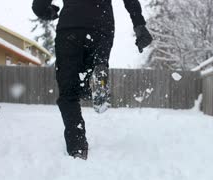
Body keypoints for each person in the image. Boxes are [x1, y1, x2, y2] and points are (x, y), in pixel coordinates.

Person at [32, 0, 153, 160]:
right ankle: (97, 71)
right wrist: (139, 25)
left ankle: (77, 147)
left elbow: (39, 5)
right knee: (90, 72)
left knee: (69, 92)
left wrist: (47, 11)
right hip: (101, 27)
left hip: (71, 26)